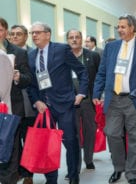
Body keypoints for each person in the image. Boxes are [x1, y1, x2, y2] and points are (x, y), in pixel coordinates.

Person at [27, 22, 88, 184]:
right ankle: (51, 179)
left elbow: (82, 71)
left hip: (65, 104)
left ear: (48, 34)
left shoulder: (61, 50)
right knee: (46, 144)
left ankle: (73, 177)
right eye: (32, 33)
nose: (34, 36)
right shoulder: (32, 55)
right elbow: (32, 84)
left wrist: (81, 93)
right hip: (44, 107)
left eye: (38, 32)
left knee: (70, 142)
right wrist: (36, 101)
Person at [92, 14, 136, 184]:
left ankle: (133, 174)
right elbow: (102, 72)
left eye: (123, 26)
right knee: (112, 133)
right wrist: (96, 93)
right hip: (113, 98)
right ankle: (118, 168)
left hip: (133, 99)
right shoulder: (111, 47)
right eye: (118, 27)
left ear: (132, 28)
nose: (119, 30)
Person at [0, 17, 32, 184]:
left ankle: (9, 180)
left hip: (11, 108)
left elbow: (28, 78)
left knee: (11, 146)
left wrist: (19, 77)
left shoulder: (18, 53)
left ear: (6, 32)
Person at [66, 29, 100, 172]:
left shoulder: (92, 56)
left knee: (90, 130)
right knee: (71, 133)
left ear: (81, 39)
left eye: (77, 37)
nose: (74, 40)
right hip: (69, 101)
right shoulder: (63, 56)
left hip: (87, 99)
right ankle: (75, 164)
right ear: (67, 40)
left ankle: (89, 159)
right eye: (71, 37)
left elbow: (99, 76)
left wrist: (98, 94)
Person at [10, 24, 36, 184]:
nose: (14, 37)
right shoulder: (6, 54)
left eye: (18, 34)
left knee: (29, 142)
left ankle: (29, 174)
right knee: (14, 141)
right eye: (12, 34)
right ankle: (19, 170)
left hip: (30, 104)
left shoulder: (33, 53)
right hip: (13, 105)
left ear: (26, 36)